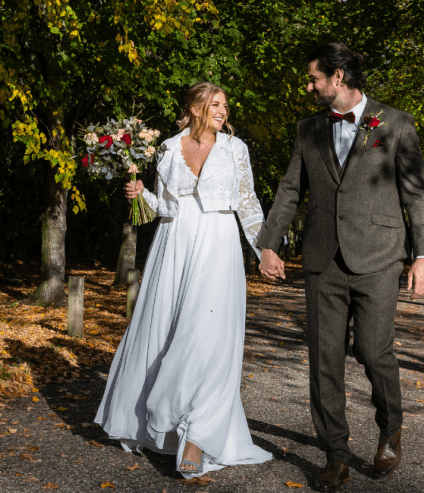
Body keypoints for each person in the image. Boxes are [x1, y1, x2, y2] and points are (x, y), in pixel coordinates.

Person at [256, 42, 424, 492]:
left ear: (338, 78)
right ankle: (335, 453)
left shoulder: (394, 123)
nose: (309, 85)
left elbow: (417, 194)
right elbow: (289, 190)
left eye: (314, 78)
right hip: (322, 258)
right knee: (324, 359)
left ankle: (390, 426)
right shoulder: (308, 129)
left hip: (378, 256)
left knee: (373, 350)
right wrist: (269, 245)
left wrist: (423, 256)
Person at [94, 81, 273, 479]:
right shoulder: (169, 148)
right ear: (195, 108)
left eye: (226, 105)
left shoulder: (235, 149)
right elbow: (161, 205)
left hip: (218, 245)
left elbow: (247, 202)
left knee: (206, 337)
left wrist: (265, 250)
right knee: (165, 334)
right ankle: (163, 424)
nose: (223, 111)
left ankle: (198, 436)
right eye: (215, 104)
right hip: (173, 245)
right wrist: (139, 194)